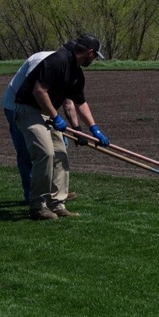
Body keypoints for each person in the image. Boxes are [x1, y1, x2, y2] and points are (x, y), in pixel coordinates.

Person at [14, 34, 110, 220]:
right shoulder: (59, 60)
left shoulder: (76, 72)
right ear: (89, 52)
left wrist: (94, 129)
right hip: (29, 110)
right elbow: (39, 91)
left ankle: (57, 204)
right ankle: (37, 206)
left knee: (60, 154)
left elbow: (80, 102)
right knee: (46, 153)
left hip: (46, 113)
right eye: (96, 55)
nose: (96, 59)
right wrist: (56, 117)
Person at [1, 46, 87, 205]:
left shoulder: (68, 66)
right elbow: (35, 91)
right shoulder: (42, 61)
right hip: (17, 106)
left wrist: (77, 129)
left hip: (44, 108)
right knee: (31, 151)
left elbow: (68, 102)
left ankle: (54, 193)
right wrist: (56, 117)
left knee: (60, 148)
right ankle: (32, 196)